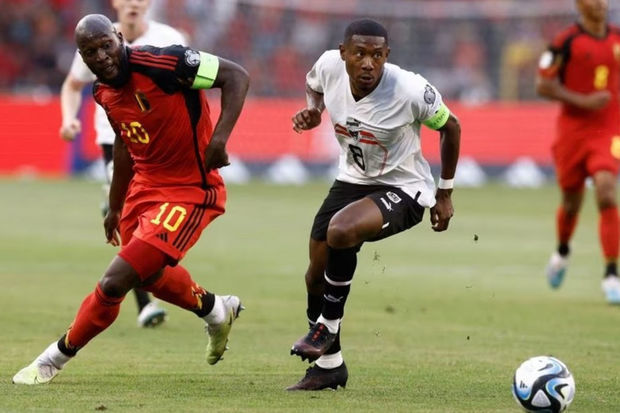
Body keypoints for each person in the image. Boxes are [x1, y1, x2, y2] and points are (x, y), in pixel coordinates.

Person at [13, 13, 250, 385]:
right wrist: (116, 203)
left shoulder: (167, 63)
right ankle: (216, 309)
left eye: (106, 45)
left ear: (119, 38)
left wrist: (219, 139)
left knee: (114, 282)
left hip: (190, 189)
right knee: (149, 275)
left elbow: (236, 76)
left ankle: (51, 360)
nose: (101, 56)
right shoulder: (102, 92)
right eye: (90, 52)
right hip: (143, 189)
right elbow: (124, 142)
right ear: (82, 57)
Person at [287, 19, 461, 390]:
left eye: (377, 55)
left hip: (405, 188)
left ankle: (326, 326)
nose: (369, 63)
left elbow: (452, 127)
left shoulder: (410, 89)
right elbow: (313, 85)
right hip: (352, 180)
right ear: (343, 53)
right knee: (315, 275)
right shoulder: (327, 66)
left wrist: (444, 192)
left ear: (387, 55)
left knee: (341, 230)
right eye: (360, 54)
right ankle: (329, 366)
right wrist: (314, 109)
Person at [59, 0, 187, 328]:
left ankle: (157, 279)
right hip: (117, 141)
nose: (133, 3)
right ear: (115, 3)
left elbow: (187, 83)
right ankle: (145, 301)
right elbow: (72, 85)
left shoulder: (169, 38)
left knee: (151, 216)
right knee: (128, 211)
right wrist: (68, 119)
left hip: (160, 145)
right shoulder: (94, 41)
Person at [537, 0, 620, 304]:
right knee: (571, 202)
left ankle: (611, 274)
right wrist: (584, 102)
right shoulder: (564, 42)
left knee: (606, 191)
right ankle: (562, 251)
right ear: (579, 5)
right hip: (572, 133)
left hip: (609, 129)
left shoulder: (617, 38)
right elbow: (543, 85)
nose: (600, 3)